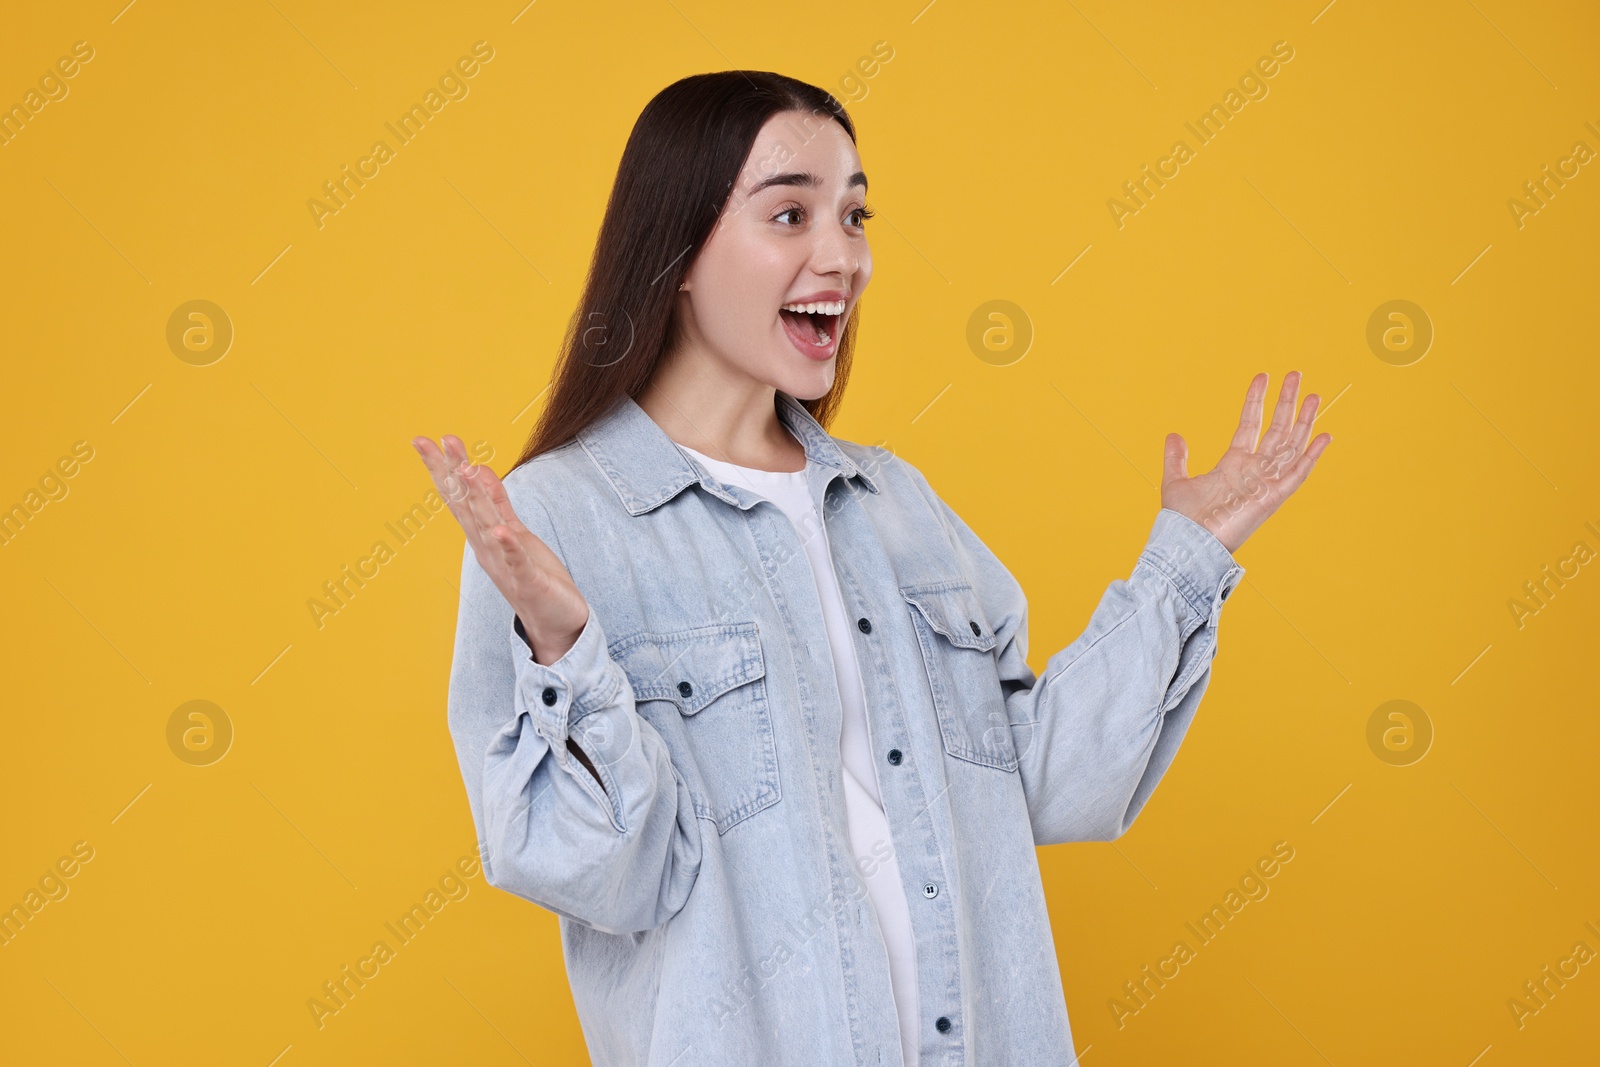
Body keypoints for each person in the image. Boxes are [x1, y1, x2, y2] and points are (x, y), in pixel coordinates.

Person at [413, 70, 1331, 1067]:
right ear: (676, 249)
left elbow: (1047, 783)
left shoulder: (895, 503)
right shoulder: (557, 518)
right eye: (791, 213)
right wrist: (566, 647)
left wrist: (1187, 557)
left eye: (854, 215)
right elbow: (606, 872)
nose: (839, 256)